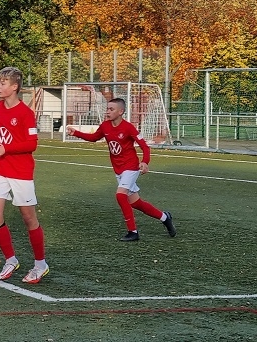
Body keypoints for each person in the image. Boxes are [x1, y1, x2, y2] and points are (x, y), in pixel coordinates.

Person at [67, 98, 177, 241]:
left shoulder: (128, 127)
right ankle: (165, 217)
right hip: (118, 169)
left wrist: (145, 162)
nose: (107, 111)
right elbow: (94, 137)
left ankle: (133, 232)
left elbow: (145, 146)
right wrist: (76, 133)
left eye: (111, 109)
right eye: (107, 109)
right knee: (136, 203)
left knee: (120, 195)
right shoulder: (105, 126)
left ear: (121, 112)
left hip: (131, 167)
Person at [0, 67, 49, 285]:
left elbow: (32, 144)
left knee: (28, 218)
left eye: (3, 83)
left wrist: (6, 148)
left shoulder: (25, 113)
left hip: (21, 172)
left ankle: (40, 264)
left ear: (14, 87)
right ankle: (10, 260)